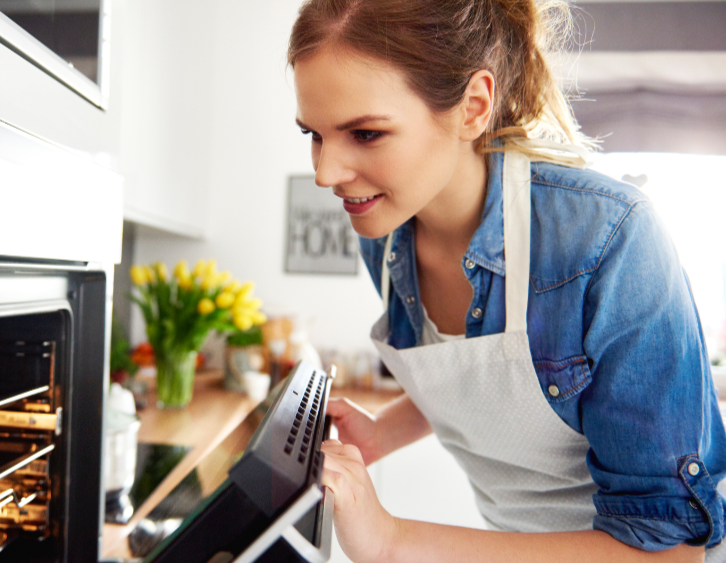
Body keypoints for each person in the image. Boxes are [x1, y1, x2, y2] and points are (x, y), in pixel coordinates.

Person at [287, 0, 726, 561]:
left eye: (366, 134)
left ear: (473, 107)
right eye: (314, 134)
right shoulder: (386, 235)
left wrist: (392, 541)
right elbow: (489, 378)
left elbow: (670, 554)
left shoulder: (608, 241)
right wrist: (382, 434)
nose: (325, 172)